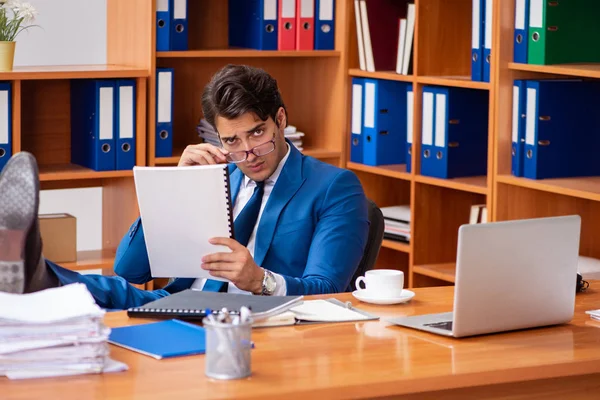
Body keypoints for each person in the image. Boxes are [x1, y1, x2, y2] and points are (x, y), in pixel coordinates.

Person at [0, 64, 370, 309]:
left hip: (257, 316)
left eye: (258, 133)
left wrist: (261, 280)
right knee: (101, 291)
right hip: (185, 302)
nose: (248, 153)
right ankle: (33, 268)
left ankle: (33, 271)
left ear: (281, 120)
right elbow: (130, 269)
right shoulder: (220, 175)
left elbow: (329, 290)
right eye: (232, 141)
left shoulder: (334, 187)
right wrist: (177, 187)